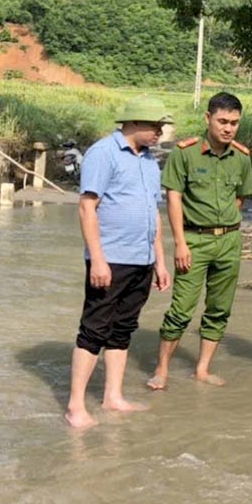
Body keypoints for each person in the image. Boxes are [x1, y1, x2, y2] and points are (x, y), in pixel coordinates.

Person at [65, 95, 173, 429]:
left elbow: (152, 212)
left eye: (160, 127)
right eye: (154, 127)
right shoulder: (103, 153)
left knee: (122, 329)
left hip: (141, 258)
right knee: (94, 329)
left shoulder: (149, 161)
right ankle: (75, 406)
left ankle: (113, 396)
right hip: (110, 259)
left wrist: (160, 260)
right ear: (134, 123)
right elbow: (87, 207)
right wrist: (97, 259)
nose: (159, 133)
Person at [146, 92, 252, 390]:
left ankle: (202, 369)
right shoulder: (185, 153)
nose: (228, 128)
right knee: (182, 308)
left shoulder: (242, 157)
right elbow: (173, 199)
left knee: (219, 308)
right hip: (194, 241)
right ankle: (162, 369)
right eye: (222, 121)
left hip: (229, 241)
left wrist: (225, 229)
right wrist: (180, 243)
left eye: (234, 123)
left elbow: (240, 198)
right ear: (208, 119)